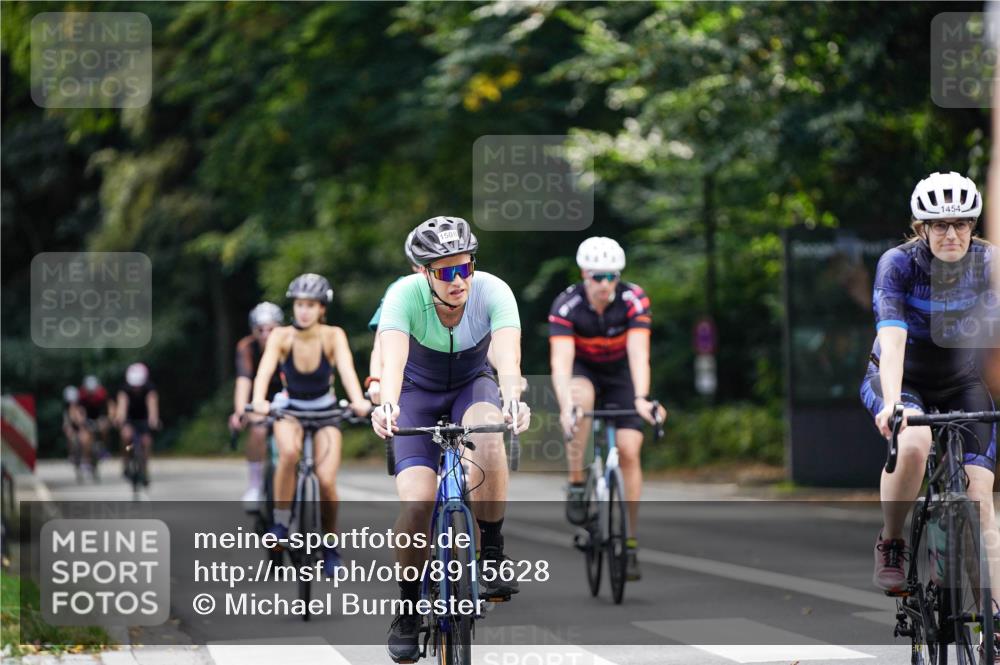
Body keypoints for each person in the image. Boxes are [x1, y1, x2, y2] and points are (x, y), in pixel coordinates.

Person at [370, 216, 530, 663]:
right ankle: (407, 607)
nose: (458, 280)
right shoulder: (404, 295)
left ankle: (492, 551)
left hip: (471, 385)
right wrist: (386, 403)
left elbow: (506, 353)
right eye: (445, 271)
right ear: (424, 272)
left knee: (490, 436)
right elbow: (393, 358)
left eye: (464, 267)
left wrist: (514, 396)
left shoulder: (494, 291)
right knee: (418, 503)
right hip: (417, 394)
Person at [860, 172, 1000, 604]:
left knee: (979, 497)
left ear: (973, 226)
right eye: (940, 225)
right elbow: (892, 338)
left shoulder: (989, 263)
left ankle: (994, 623)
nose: (951, 234)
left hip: (962, 381)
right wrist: (894, 404)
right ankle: (893, 540)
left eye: (961, 223)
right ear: (922, 228)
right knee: (916, 441)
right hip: (903, 376)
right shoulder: (899, 264)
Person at [548, 236, 667, 582]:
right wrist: (565, 406)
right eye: (599, 277)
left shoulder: (633, 300)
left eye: (612, 276)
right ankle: (576, 482)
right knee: (579, 401)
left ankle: (629, 542)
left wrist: (642, 398)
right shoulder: (566, 304)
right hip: (584, 371)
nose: (606, 284)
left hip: (620, 374)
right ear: (585, 274)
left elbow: (639, 354)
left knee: (630, 451)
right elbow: (561, 362)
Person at [251, 274, 370, 576]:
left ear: (321, 309)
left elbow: (346, 371)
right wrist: (259, 401)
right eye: (299, 304)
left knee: (327, 482)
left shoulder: (333, 336)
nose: (304, 311)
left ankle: (330, 544)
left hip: (325, 411)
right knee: (288, 454)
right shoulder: (281, 336)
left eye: (311, 305)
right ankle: (280, 523)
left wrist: (358, 401)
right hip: (290, 409)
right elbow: (264, 372)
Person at [231, 302, 285, 511]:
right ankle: (254, 483)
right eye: (260, 329)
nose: (265, 334)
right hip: (257, 396)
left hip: (285, 394)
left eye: (271, 329)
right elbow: (243, 381)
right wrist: (240, 411)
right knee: (258, 430)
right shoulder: (246, 347)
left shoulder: (288, 343)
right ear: (253, 331)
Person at [367, 232, 423, 405]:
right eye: (419, 263)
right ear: (413, 266)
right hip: (409, 379)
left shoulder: (458, 286)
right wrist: (375, 380)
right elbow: (380, 343)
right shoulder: (399, 290)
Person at [116, 363, 160, 490]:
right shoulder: (124, 390)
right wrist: (121, 420)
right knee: (126, 436)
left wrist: (154, 420)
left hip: (144, 419)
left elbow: (152, 407)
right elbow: (122, 407)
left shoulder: (150, 389)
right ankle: (125, 462)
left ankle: (144, 469)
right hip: (130, 418)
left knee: (146, 441)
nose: (136, 388)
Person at [78, 375, 112, 476]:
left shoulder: (102, 394)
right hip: (87, 416)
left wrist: (108, 418)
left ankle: (103, 447)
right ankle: (86, 459)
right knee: (85, 438)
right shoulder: (82, 395)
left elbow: (109, 407)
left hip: (99, 415)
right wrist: (82, 421)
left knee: (104, 427)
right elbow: (79, 410)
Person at [62, 386, 86, 478]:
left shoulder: (81, 407)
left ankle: (85, 459)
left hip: (81, 428)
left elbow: (81, 422)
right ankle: (72, 454)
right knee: (71, 437)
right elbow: (66, 424)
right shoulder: (66, 410)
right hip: (71, 429)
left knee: (84, 438)